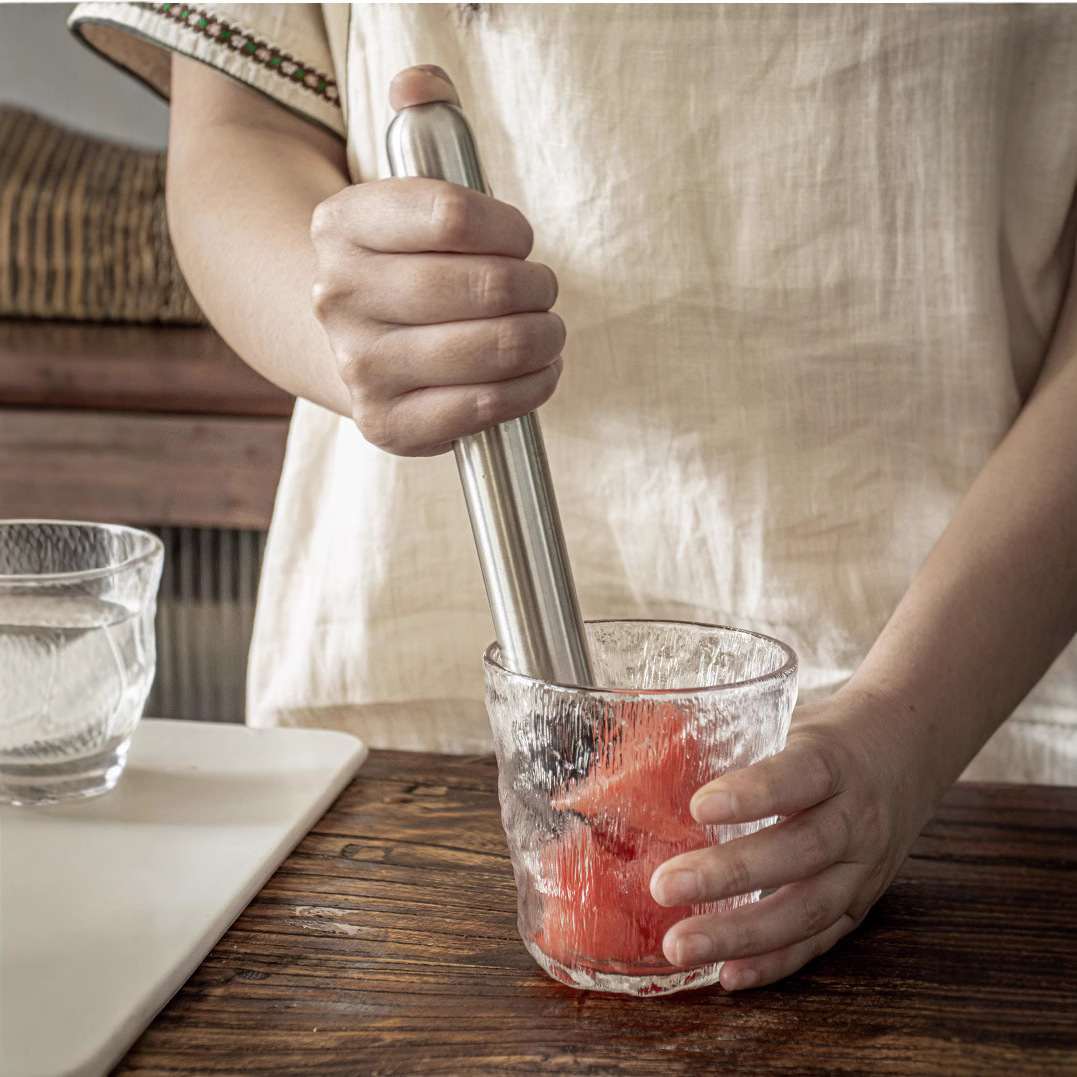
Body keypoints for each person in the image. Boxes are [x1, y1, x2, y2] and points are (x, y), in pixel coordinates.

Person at [69, 3, 1077, 990]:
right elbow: (237, 132)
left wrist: (909, 724)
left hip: (974, 721)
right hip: (396, 723)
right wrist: (338, 318)